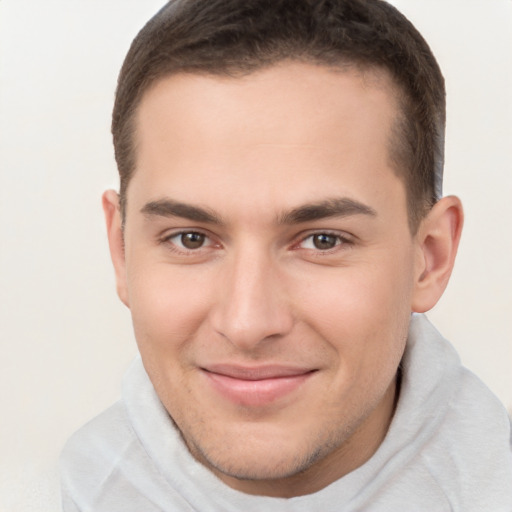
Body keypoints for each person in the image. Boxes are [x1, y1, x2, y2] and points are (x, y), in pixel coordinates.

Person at [60, 0, 512, 510]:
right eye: (191, 238)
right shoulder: (64, 487)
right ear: (122, 252)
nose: (248, 323)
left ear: (429, 258)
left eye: (323, 240)